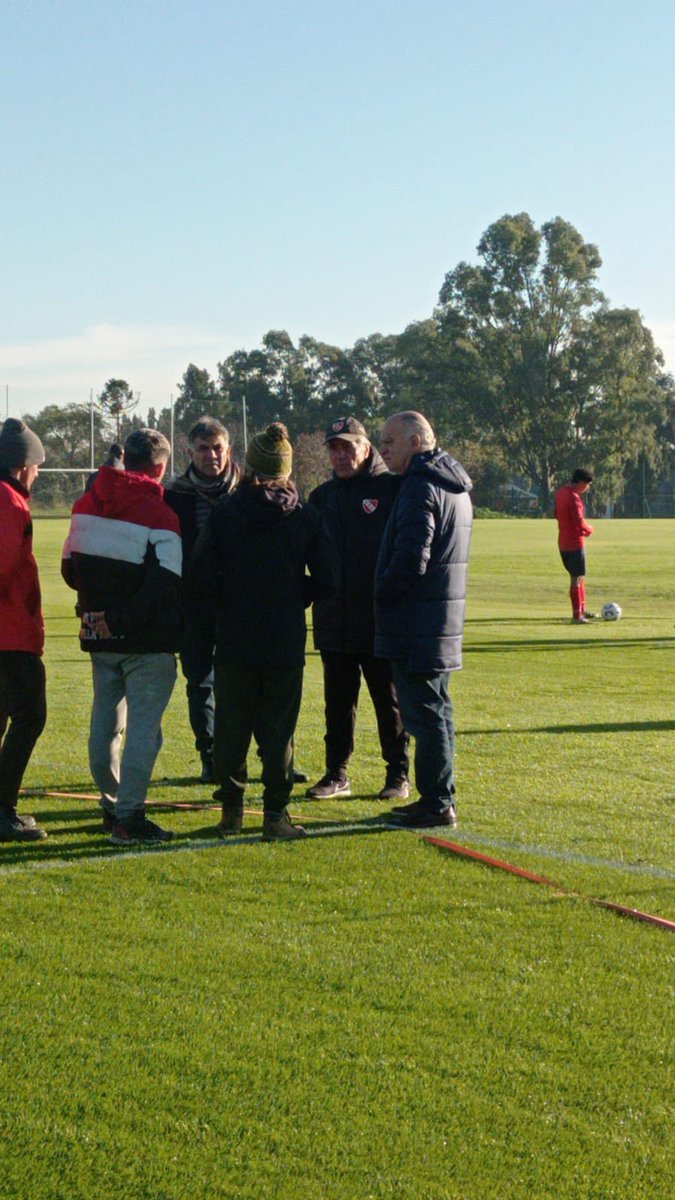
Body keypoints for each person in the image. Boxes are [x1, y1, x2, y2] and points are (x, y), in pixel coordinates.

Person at [187, 422, 337, 841]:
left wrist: (224, 603)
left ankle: (231, 812)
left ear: (248, 465)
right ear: (286, 471)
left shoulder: (226, 513)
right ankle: (275, 815)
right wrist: (296, 593)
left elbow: (199, 577)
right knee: (278, 730)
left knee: (231, 727)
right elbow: (330, 577)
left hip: (234, 635)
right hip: (284, 637)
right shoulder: (305, 515)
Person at [62, 428, 183, 845]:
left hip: (98, 637)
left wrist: (102, 612)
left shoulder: (84, 504)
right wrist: (125, 617)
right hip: (146, 641)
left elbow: (68, 569)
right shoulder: (160, 514)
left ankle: (112, 804)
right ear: (161, 468)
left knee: (105, 725)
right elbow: (167, 581)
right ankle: (129, 817)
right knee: (143, 732)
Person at [374, 411, 473, 829]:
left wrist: (381, 591)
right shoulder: (454, 486)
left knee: (425, 716)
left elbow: (414, 557)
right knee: (437, 713)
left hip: (418, 623)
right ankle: (437, 797)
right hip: (439, 620)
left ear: (416, 442)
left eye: (390, 441)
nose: (384, 450)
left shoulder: (419, 486)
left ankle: (436, 804)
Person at [305, 415, 409, 800]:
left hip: (380, 620)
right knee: (337, 704)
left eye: (348, 447)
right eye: (334, 448)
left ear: (366, 448)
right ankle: (336, 774)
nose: (341, 455)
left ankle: (398, 774)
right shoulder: (321, 498)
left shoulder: (392, 490)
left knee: (390, 702)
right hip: (333, 620)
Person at [164, 417, 240, 781]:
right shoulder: (175, 493)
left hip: (239, 602)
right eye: (204, 449)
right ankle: (210, 756)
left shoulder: (246, 489)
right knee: (200, 683)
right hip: (192, 603)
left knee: (245, 682)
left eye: (218, 448)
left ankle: (268, 755)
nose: (212, 456)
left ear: (229, 450)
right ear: (190, 452)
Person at [0, 419, 48, 842]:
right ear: (22, 465)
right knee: (31, 716)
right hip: (9, 633)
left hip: (9, 630)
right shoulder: (8, 502)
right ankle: (3, 809)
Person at [554, 468, 596, 624]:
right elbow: (579, 521)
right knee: (576, 578)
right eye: (586, 484)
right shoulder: (574, 497)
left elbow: (556, 514)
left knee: (579, 576)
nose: (587, 488)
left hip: (563, 542)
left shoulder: (560, 493)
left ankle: (582, 610)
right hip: (575, 543)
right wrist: (589, 529)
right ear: (580, 482)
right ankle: (577, 615)